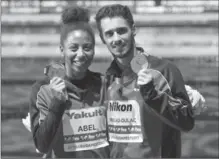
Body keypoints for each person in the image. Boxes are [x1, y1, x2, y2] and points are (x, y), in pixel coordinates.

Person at [94, 4, 203, 158]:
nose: (116, 38)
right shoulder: (108, 79)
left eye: (121, 31)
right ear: (102, 39)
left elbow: (186, 121)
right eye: (109, 34)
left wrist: (153, 95)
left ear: (133, 29)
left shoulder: (164, 70)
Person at [28, 6, 110, 158]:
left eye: (87, 48)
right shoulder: (42, 90)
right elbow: (42, 145)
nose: (81, 54)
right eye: (73, 48)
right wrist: (57, 104)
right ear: (62, 50)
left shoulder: (105, 85)